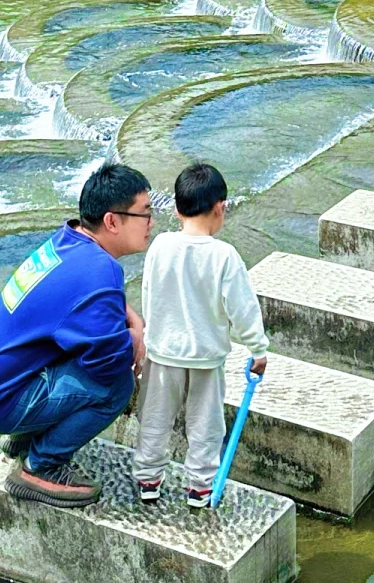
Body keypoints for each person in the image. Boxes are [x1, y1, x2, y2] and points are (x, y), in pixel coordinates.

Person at [0, 162, 153, 509]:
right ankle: (41, 467)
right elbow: (109, 364)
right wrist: (135, 339)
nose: (151, 223)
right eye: (145, 213)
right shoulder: (99, 272)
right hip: (1, 401)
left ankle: (25, 438)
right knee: (116, 386)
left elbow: (87, 302)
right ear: (112, 221)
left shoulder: (69, 240)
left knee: (84, 349)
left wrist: (131, 320)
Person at [133, 162, 268, 509]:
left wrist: (151, 337)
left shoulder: (160, 246)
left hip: (163, 353)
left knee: (155, 419)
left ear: (177, 209)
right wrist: (258, 349)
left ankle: (148, 479)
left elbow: (149, 293)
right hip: (206, 358)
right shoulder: (224, 256)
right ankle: (200, 487)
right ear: (220, 208)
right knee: (206, 426)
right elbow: (243, 309)